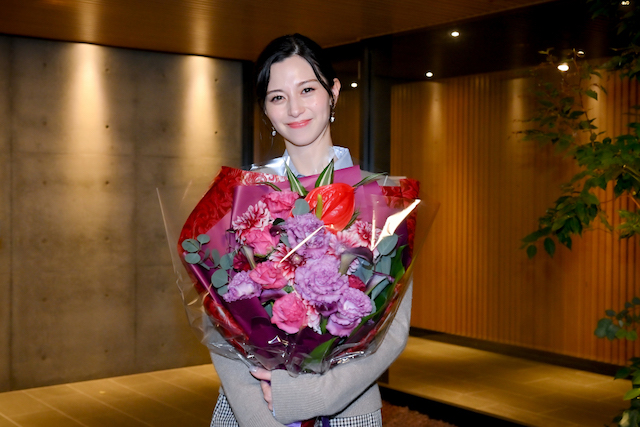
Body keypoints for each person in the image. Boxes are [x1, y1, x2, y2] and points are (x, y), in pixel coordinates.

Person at [209, 33, 413, 427]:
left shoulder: (380, 199)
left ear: (333, 92)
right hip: (249, 411)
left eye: (307, 89)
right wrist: (258, 416)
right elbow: (217, 318)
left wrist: (307, 397)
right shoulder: (244, 196)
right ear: (265, 108)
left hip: (346, 411)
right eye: (277, 97)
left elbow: (393, 331)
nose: (294, 108)